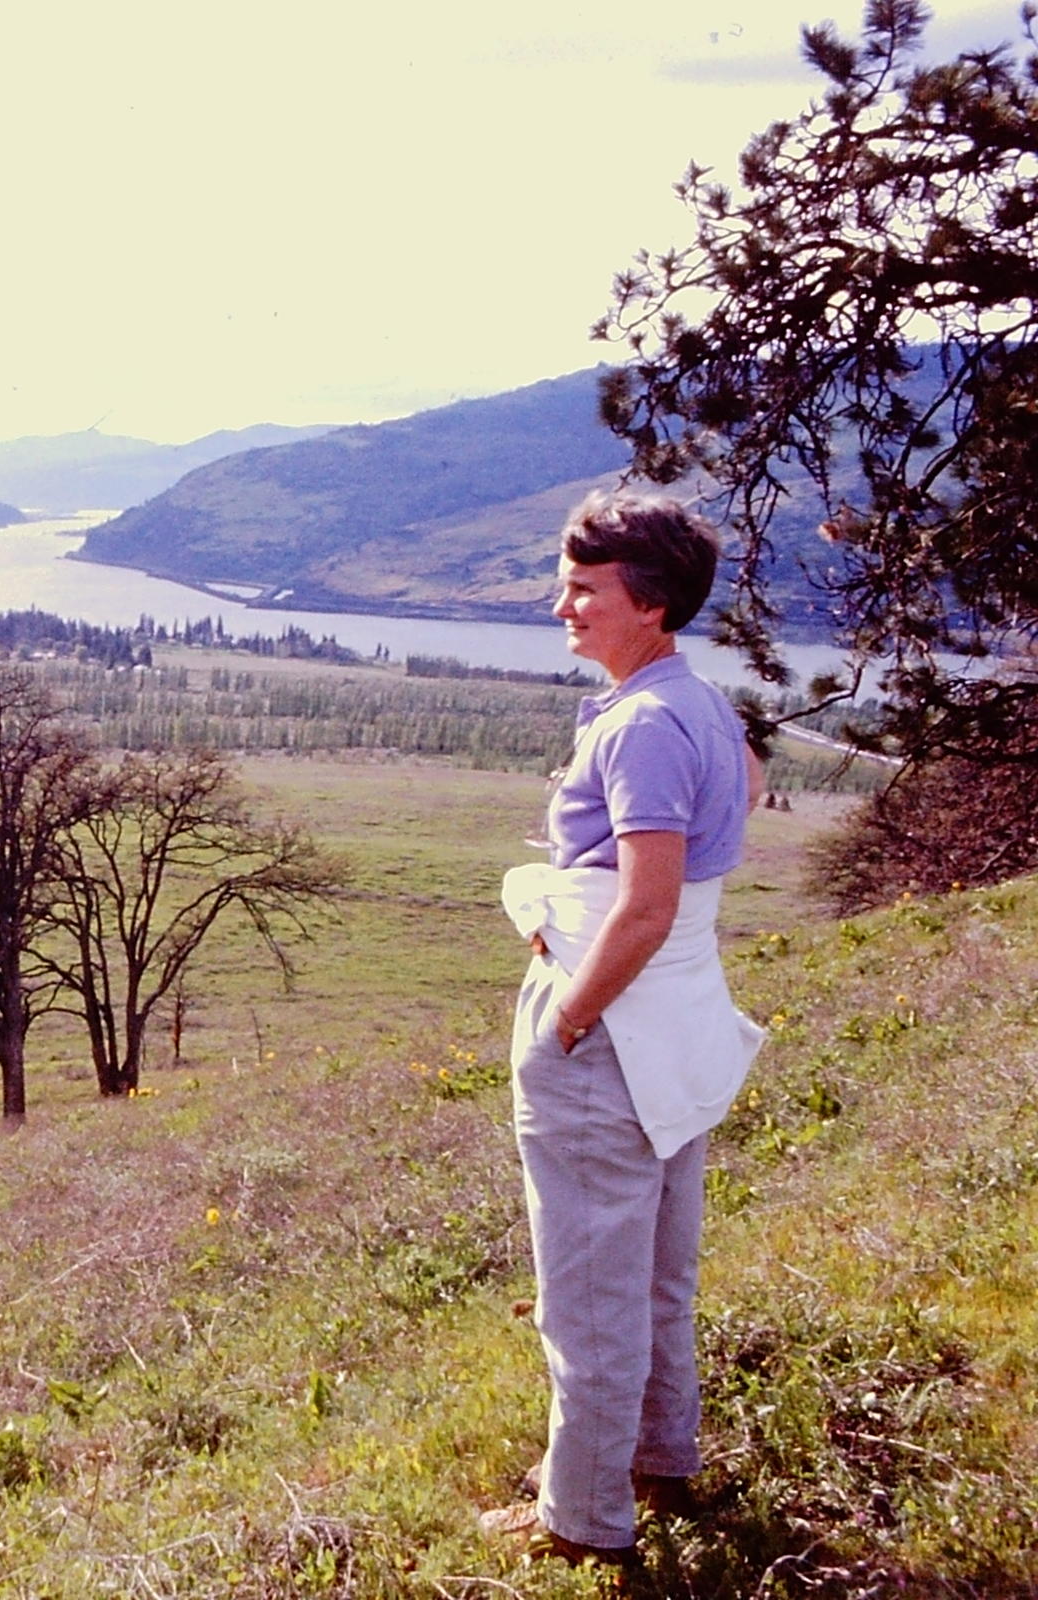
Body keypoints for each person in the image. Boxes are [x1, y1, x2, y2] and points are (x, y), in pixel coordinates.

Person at [481, 492, 767, 1567]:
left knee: (588, 1295)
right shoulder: (690, 701)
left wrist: (569, 1019)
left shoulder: (644, 722)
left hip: (613, 1031)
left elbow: (645, 904)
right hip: (680, 1021)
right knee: (654, 1272)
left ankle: (583, 1520)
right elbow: (741, 788)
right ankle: (659, 1457)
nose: (563, 605)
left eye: (584, 588)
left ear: (649, 601)